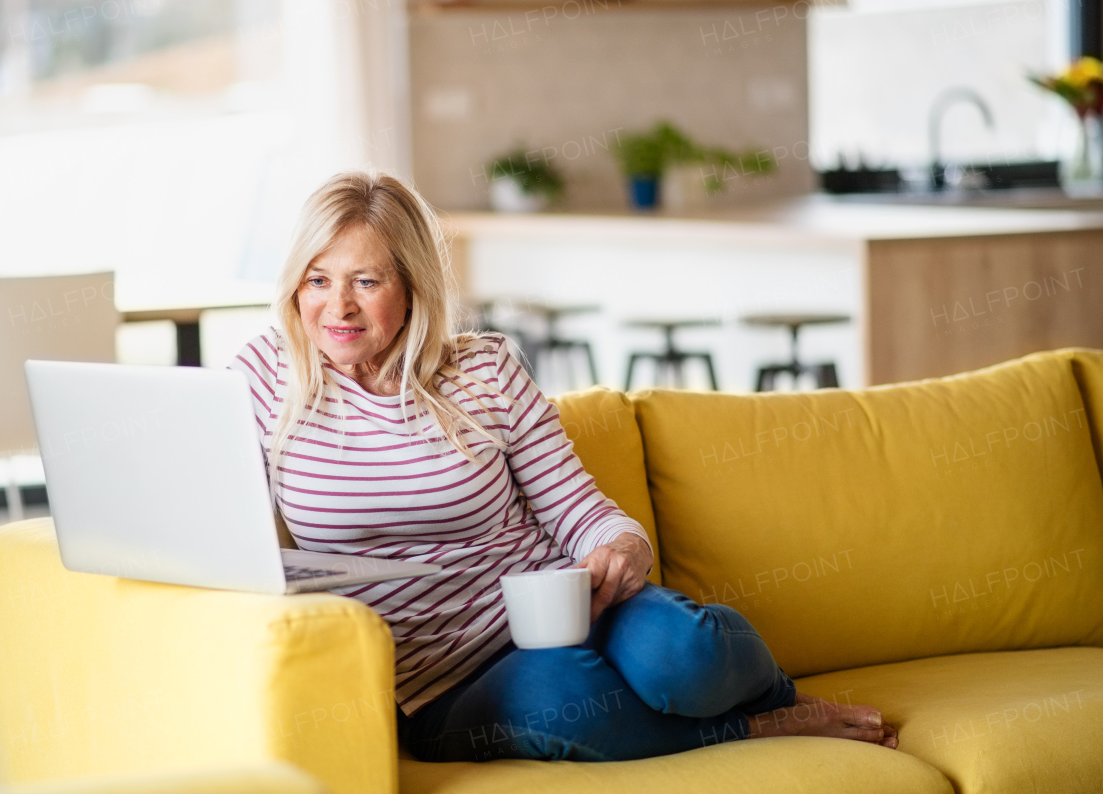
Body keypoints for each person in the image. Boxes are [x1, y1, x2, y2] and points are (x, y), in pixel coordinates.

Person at [230, 170, 897, 762]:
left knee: (682, 655)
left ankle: (775, 690)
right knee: (571, 696)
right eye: (317, 279)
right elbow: (225, 541)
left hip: (566, 608)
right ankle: (762, 727)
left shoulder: (484, 368)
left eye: (365, 281)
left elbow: (575, 505)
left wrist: (622, 544)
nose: (336, 306)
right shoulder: (263, 382)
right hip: (434, 681)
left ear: (412, 285)